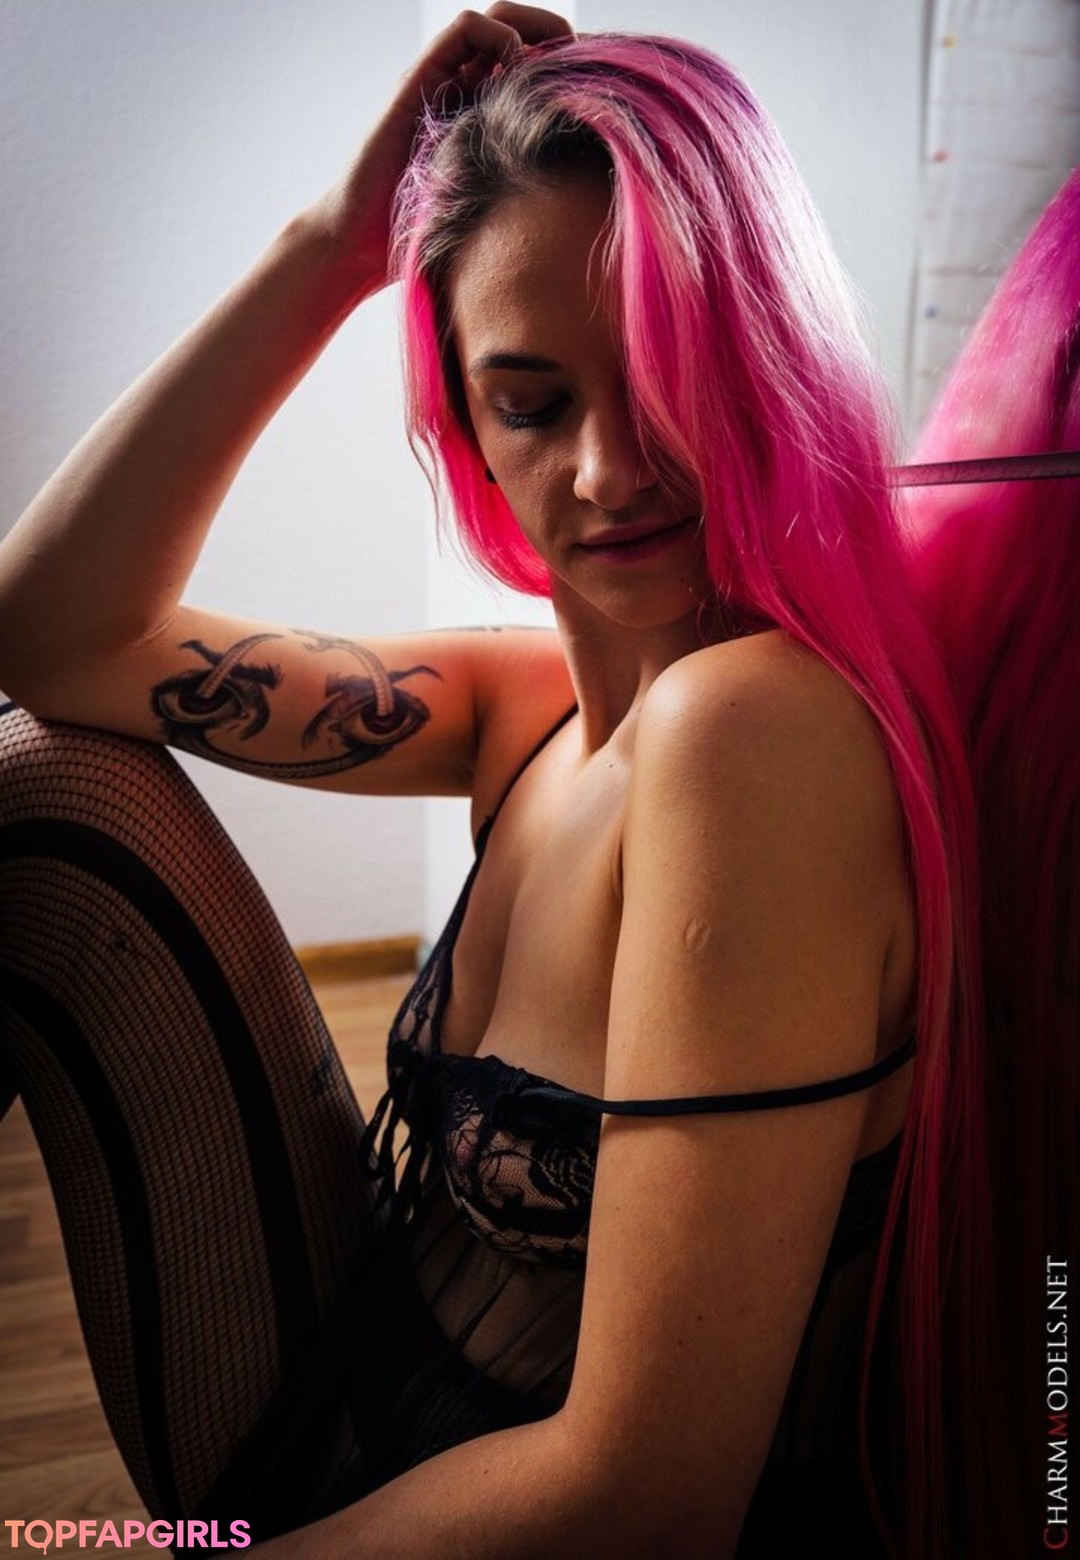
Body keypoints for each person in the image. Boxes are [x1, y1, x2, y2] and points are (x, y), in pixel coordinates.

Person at [0, 6, 1073, 1556]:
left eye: (667, 374)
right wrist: (330, 249)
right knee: (37, 777)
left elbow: (647, 1497)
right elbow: (52, 635)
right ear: (465, 420)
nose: (609, 469)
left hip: (499, 1520)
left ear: (761, 364)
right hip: (362, 1398)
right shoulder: (517, 709)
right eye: (533, 400)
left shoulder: (754, 736)